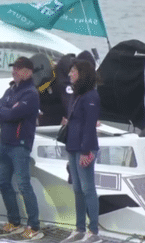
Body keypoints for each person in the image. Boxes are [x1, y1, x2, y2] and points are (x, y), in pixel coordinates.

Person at [0, 56, 44, 240]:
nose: (14, 71)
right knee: (3, 182)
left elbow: (13, 113)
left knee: (23, 184)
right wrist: (7, 111)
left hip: (20, 145)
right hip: (4, 143)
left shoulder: (30, 93)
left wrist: (6, 111)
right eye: (14, 68)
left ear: (28, 72)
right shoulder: (10, 90)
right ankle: (14, 221)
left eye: (18, 69)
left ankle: (34, 225)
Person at [60, 60, 101, 243]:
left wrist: (86, 151)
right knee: (77, 188)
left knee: (87, 188)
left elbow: (90, 125)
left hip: (85, 148)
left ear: (82, 73)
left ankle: (93, 231)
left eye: (73, 71)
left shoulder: (91, 96)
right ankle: (79, 228)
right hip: (73, 146)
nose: (70, 74)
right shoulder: (77, 95)